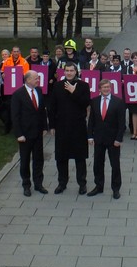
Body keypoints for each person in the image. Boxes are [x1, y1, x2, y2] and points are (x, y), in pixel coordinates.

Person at [47, 63, 91, 195]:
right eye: (67, 70)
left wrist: (74, 92)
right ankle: (62, 183)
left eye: (72, 70)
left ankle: (82, 183)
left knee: (80, 157)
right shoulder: (57, 86)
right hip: (62, 126)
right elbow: (52, 107)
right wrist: (52, 125)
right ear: (64, 72)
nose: (69, 73)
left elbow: (85, 103)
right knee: (61, 156)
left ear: (76, 72)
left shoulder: (83, 86)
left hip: (78, 126)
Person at [11, 70, 48, 197]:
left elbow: (42, 111)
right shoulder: (18, 94)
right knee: (25, 160)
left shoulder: (38, 91)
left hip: (38, 133)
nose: (38, 80)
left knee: (39, 159)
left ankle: (38, 184)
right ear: (28, 80)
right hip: (25, 135)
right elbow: (15, 116)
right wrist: (19, 134)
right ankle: (26, 185)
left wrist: (44, 127)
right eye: (36, 78)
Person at [88, 79, 126, 199]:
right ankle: (99, 186)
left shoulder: (118, 102)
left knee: (115, 165)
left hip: (113, 140)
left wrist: (119, 139)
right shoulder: (94, 101)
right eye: (103, 87)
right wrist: (90, 136)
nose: (106, 89)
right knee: (97, 164)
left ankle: (116, 188)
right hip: (99, 138)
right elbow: (91, 121)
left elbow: (122, 123)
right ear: (99, 89)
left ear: (111, 88)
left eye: (108, 87)